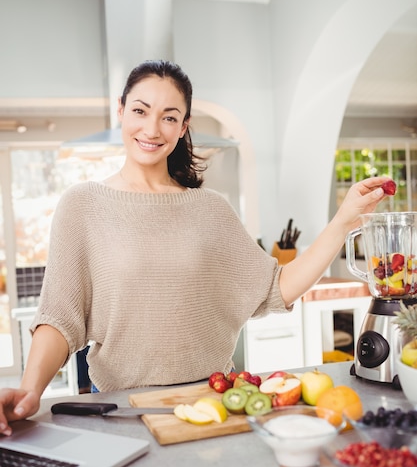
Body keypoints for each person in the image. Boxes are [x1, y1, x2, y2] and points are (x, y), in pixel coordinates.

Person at [0, 59, 388, 435]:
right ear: (121, 111)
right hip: (121, 408)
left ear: (183, 126)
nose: (152, 128)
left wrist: (343, 221)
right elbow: (59, 318)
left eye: (169, 117)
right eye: (140, 110)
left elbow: (277, 286)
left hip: (216, 400)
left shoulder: (211, 209)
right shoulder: (82, 204)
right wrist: (30, 392)